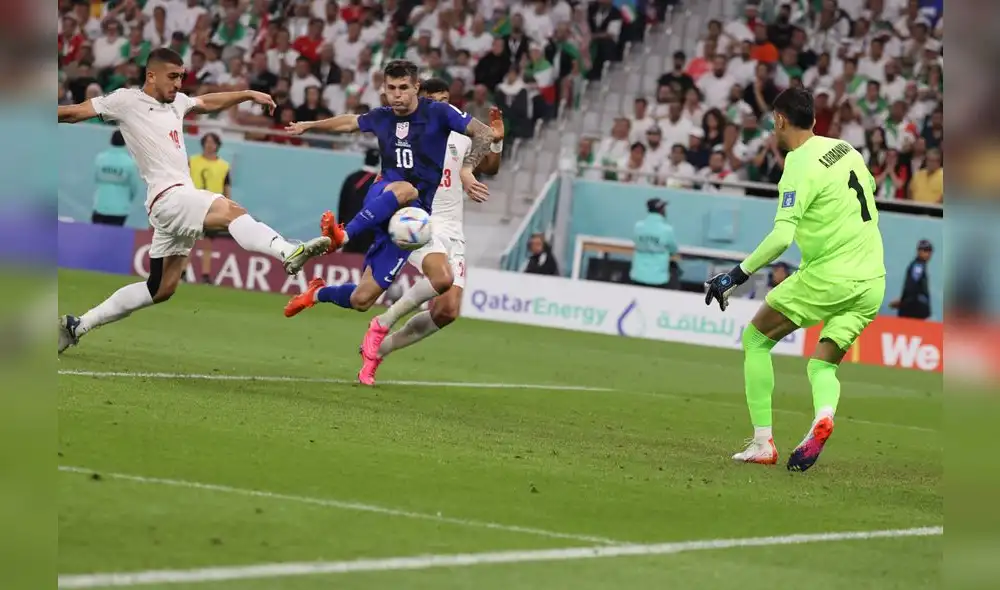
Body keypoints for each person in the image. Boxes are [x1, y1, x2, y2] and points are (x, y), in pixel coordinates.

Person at [56, 47, 332, 355]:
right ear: (151, 75)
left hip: (174, 202)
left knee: (160, 288)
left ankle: (76, 325)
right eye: (172, 77)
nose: (178, 84)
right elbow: (72, 112)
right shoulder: (126, 101)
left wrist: (247, 93)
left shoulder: (177, 103)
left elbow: (207, 102)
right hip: (168, 197)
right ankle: (287, 250)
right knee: (231, 211)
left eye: (181, 77)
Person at [280, 61, 499, 384]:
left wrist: (467, 169)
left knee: (364, 299)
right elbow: (349, 123)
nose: (395, 95)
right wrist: (310, 125)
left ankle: (318, 293)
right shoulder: (382, 117)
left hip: (412, 220)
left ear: (415, 88)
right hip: (385, 197)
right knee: (404, 187)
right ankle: (343, 235)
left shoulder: (438, 113)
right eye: (390, 88)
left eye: (402, 88)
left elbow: (483, 133)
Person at [703, 87, 885, 472]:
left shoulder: (798, 164)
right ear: (814, 120)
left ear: (780, 120)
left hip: (829, 276)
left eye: (773, 121)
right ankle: (823, 416)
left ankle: (762, 442)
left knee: (755, 339)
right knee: (822, 366)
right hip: (872, 280)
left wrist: (735, 275)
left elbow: (783, 237)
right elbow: (870, 191)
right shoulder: (847, 150)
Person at [350, 78, 504, 382]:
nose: (444, 105)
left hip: (454, 228)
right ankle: (383, 322)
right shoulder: (409, 134)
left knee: (447, 311)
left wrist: (496, 140)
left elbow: (491, 168)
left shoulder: (461, 134)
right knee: (441, 278)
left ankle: (378, 352)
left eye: (447, 99)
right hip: (420, 220)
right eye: (437, 100)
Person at [188, 132, 231, 284]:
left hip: (212, 206)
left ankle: (205, 274)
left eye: (212, 142)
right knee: (188, 238)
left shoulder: (224, 166)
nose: (209, 145)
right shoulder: (192, 161)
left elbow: (226, 187)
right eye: (207, 142)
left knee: (208, 241)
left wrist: (227, 206)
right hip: (193, 203)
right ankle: (183, 271)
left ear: (217, 145)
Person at [91, 130, 139, 226]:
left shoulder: (100, 159)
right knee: (113, 239)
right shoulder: (130, 163)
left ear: (111, 141)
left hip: (101, 205)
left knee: (96, 239)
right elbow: (134, 187)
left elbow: (96, 178)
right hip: (120, 209)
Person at [629, 198, 678, 289]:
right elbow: (673, 250)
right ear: (661, 210)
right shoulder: (667, 230)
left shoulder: (638, 226)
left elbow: (636, 242)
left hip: (638, 275)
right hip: (658, 278)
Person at [889, 239, 933, 320]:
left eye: (929, 250)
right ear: (919, 251)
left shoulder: (920, 266)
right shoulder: (918, 266)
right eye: (925, 250)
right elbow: (912, 286)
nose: (928, 253)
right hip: (914, 310)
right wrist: (903, 302)